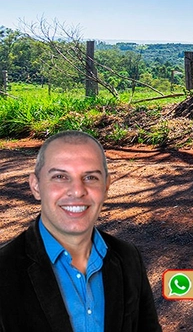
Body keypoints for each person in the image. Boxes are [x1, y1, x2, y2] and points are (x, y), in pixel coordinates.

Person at [0, 130, 162, 332]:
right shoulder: (4, 270)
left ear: (106, 186)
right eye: (60, 176)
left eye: (90, 177)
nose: (77, 191)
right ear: (36, 186)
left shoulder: (128, 258)